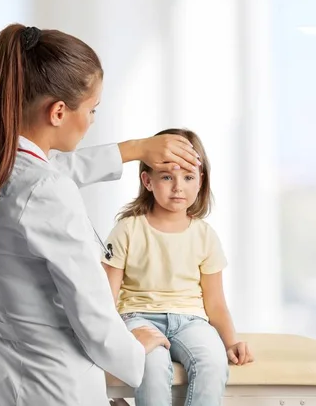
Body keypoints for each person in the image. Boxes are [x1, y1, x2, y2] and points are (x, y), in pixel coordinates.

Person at [0, 23, 202, 406]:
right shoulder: (45, 192)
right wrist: (134, 349)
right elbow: (92, 313)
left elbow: (48, 177)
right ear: (58, 112)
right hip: (51, 387)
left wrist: (135, 148)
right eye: (92, 110)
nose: (91, 121)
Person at [102, 128, 254, 406]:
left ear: (200, 181)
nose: (178, 187)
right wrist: (118, 338)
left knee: (212, 362)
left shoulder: (205, 235)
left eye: (188, 177)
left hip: (191, 321)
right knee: (153, 364)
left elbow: (216, 302)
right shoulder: (127, 229)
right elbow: (105, 298)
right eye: (167, 177)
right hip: (138, 317)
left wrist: (232, 342)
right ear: (147, 181)